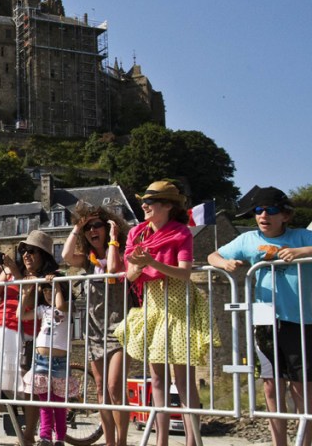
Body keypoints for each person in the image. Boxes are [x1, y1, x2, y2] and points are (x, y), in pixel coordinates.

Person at [113, 180, 216, 446]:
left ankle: (193, 440)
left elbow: (184, 272)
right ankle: (162, 440)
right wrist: (138, 266)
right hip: (153, 304)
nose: (144, 205)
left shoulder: (181, 232)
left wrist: (152, 262)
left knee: (183, 379)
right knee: (156, 377)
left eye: (150, 201)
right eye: (144, 201)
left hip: (178, 304)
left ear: (168, 205)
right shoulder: (137, 233)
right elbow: (130, 274)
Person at [209, 186, 312, 446]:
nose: (264, 215)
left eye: (271, 210)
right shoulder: (248, 240)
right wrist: (224, 264)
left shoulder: (302, 237)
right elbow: (213, 255)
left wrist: (301, 253)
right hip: (264, 318)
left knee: (302, 388)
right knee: (270, 385)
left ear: (285, 216)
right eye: (258, 210)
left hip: (301, 319)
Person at [0, 231, 51, 446]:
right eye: (23, 250)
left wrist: (14, 272)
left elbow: (32, 298)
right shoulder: (12, 272)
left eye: (32, 251)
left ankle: (27, 436)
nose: (26, 255)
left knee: (28, 384)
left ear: (43, 255)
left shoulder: (48, 276)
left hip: (26, 330)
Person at [60, 202, 130, 446]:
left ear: (110, 226)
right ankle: (109, 441)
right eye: (88, 227)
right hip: (94, 331)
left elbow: (113, 268)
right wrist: (77, 228)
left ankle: (121, 442)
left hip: (120, 329)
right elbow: (65, 256)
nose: (92, 231)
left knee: (114, 388)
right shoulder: (88, 261)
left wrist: (113, 239)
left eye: (96, 225)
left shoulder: (122, 254)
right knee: (101, 388)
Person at [19, 274, 77, 446]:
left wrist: (57, 285)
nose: (48, 294)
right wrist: (26, 294)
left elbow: (59, 304)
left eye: (50, 290)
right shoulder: (42, 309)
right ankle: (45, 437)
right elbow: (20, 315)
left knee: (59, 404)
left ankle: (59, 437)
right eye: (45, 291)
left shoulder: (68, 306)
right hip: (41, 359)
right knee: (44, 403)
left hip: (59, 361)